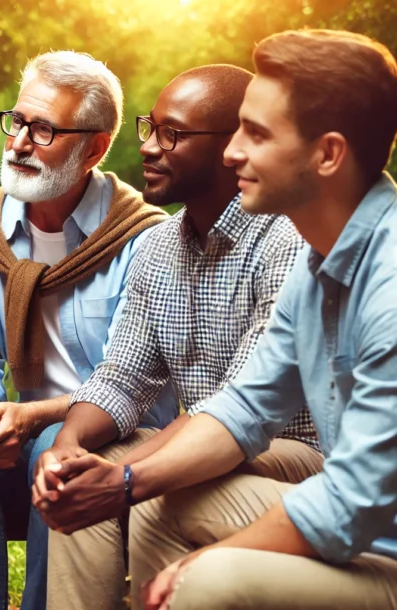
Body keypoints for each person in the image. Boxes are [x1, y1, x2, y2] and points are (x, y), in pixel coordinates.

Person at [47, 30, 397, 610]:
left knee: (206, 578)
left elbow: (352, 504)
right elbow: (243, 408)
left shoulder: (385, 281)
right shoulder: (321, 264)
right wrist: (122, 480)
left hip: (376, 545)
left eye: (256, 135)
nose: (234, 154)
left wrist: (200, 560)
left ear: (328, 154)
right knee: (159, 501)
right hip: (351, 526)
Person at [0, 50, 174, 609]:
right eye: (17, 121)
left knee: (53, 448)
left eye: (43, 130)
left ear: (95, 147)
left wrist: (32, 417)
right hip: (21, 431)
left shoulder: (142, 238)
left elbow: (132, 387)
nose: (18, 143)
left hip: (123, 437)